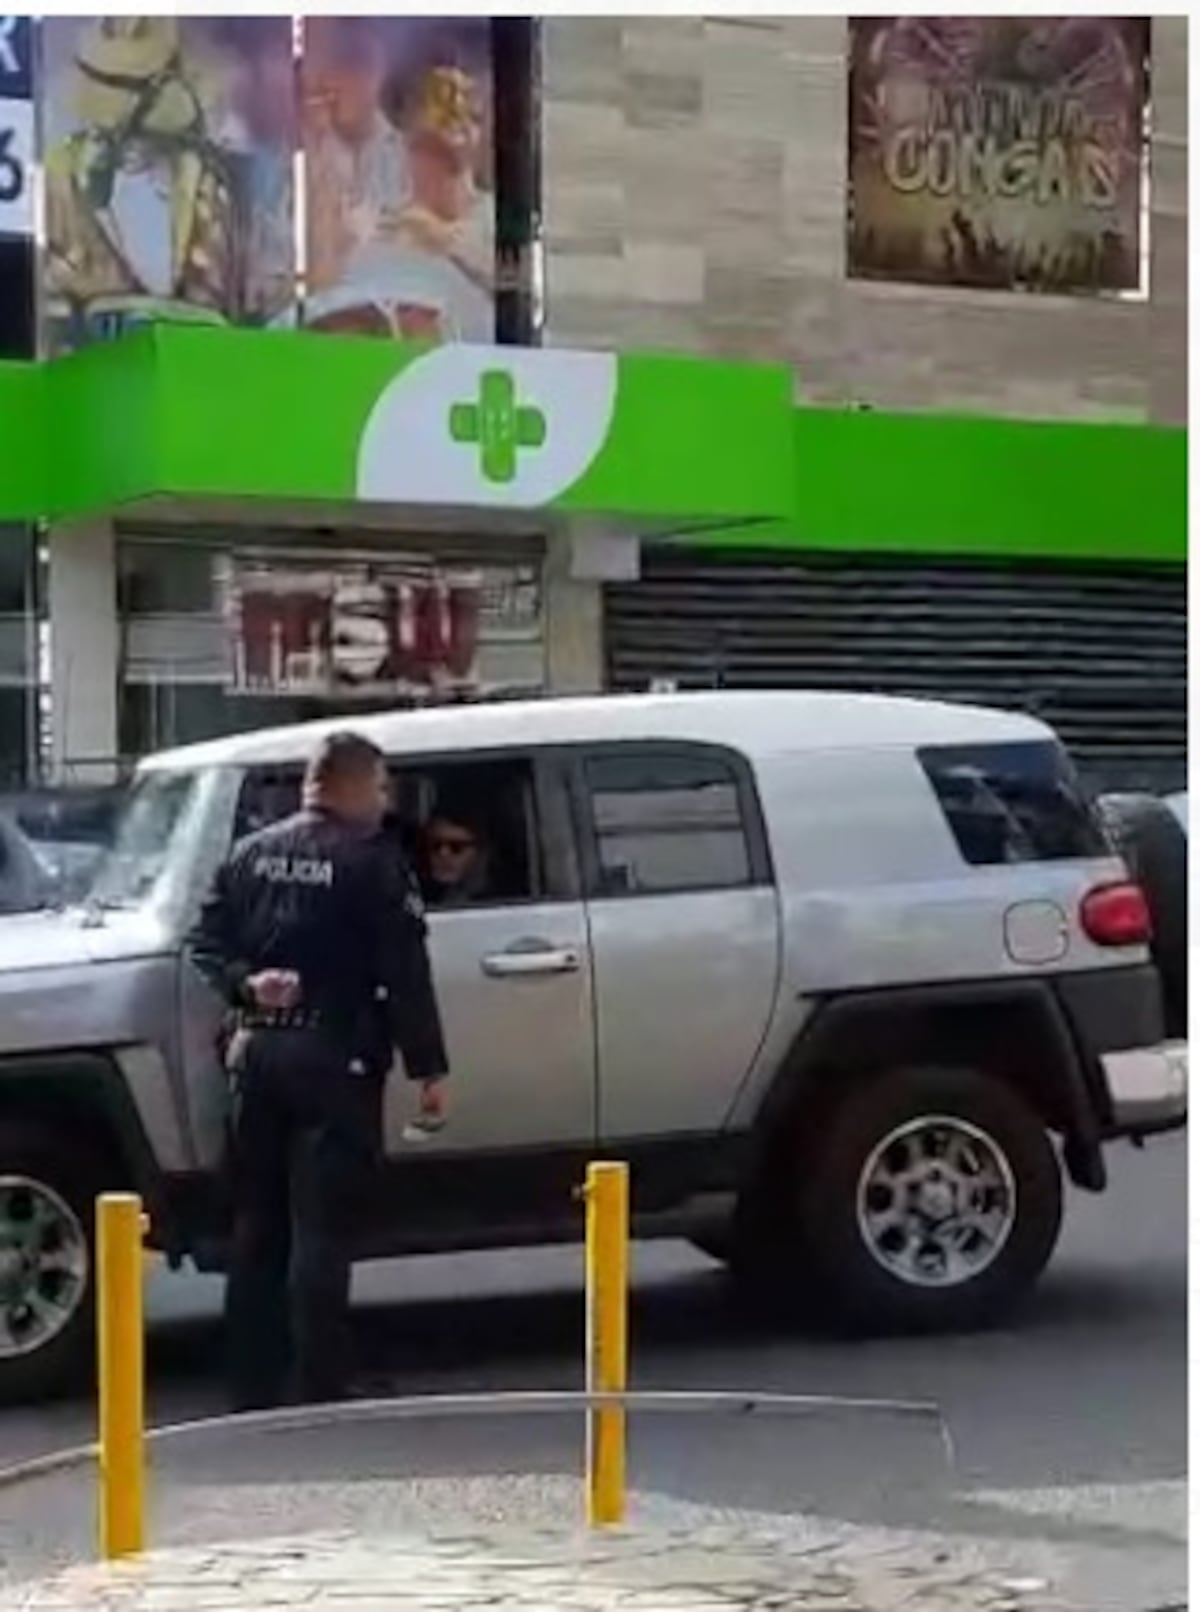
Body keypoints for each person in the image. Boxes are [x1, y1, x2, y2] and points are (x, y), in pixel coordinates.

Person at [187, 731, 449, 1411]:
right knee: (323, 1224)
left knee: (257, 1221)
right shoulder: (371, 862)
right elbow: (404, 970)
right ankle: (321, 1380)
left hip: (256, 1056)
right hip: (336, 1059)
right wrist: (429, 1066)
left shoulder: (249, 855)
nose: (386, 801)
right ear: (350, 785)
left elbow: (206, 942)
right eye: (383, 787)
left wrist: (248, 985)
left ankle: (249, 1380)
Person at [421, 806, 492, 908]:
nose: (443, 854)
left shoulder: (505, 899)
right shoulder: (414, 896)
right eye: (435, 846)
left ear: (481, 852)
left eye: (456, 847)